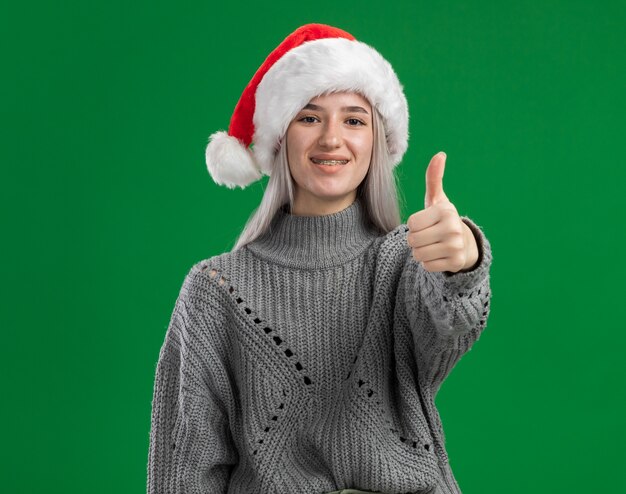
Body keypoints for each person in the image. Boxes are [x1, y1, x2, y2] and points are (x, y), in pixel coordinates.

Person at [147, 23, 493, 494]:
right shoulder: (215, 290)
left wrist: (461, 261)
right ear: (278, 139)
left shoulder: (406, 262)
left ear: (377, 141)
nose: (332, 138)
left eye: (354, 119)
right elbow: (184, 471)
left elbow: (450, 324)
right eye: (309, 118)